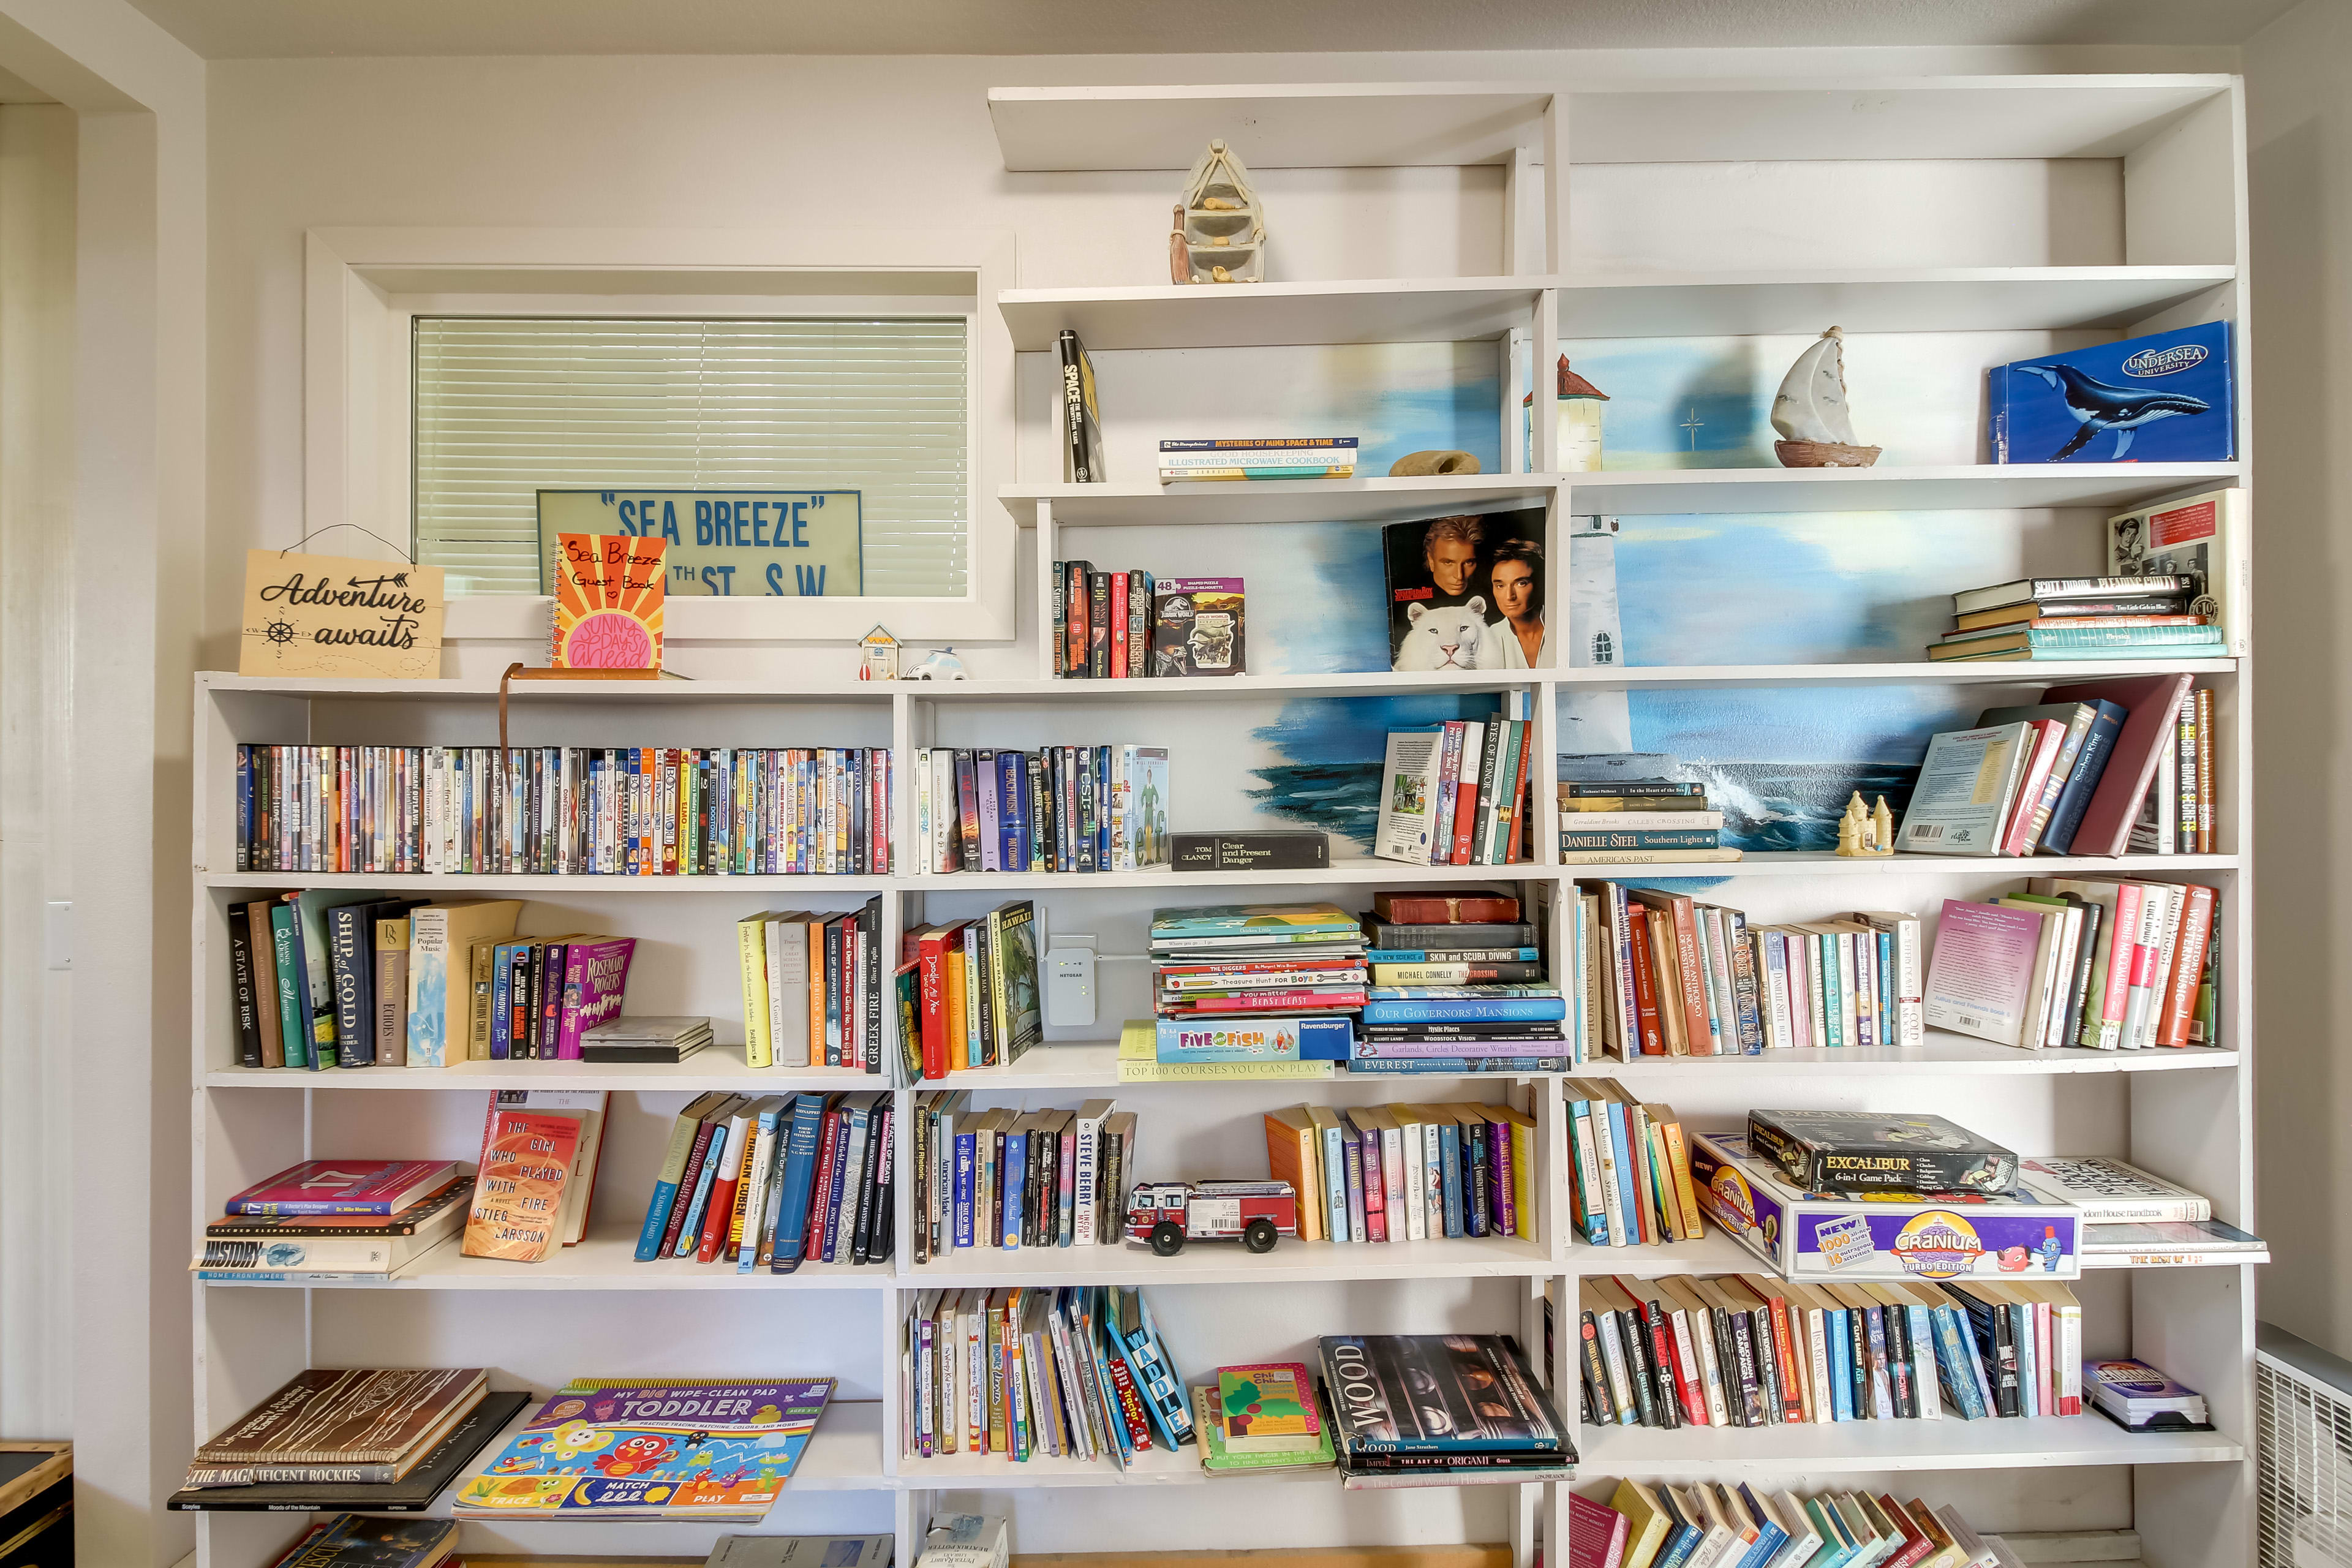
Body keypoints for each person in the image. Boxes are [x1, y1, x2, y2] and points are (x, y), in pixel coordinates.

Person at [1486, 538, 1545, 668]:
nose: (1510, 596)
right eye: (1500, 586)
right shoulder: (1491, 637)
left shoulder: (1560, 627)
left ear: (1540, 583)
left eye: (1521, 583)